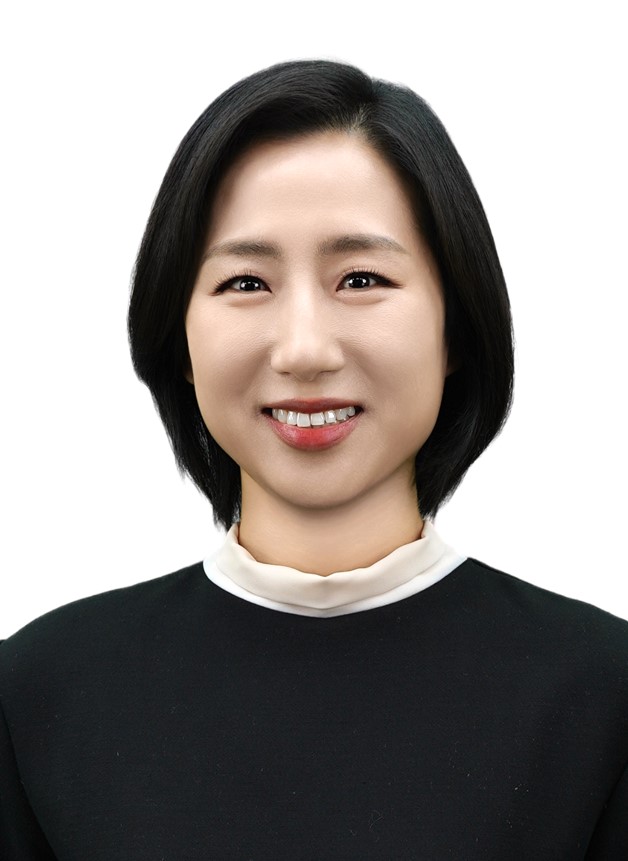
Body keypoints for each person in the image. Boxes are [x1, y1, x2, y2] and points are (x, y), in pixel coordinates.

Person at [1, 59, 626, 859]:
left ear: (456, 329)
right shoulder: (38, 694)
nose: (303, 349)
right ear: (179, 338)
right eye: (245, 282)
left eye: (361, 278)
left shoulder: (602, 696)